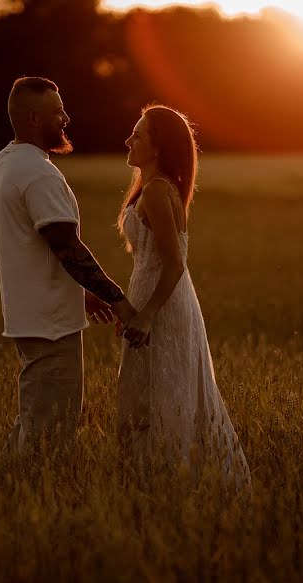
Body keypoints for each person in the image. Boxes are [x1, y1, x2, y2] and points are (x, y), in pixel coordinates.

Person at [0, 76, 136, 456]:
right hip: (50, 325)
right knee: (49, 435)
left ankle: (2, 492)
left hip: (31, 316)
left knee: (33, 421)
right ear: (34, 118)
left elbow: (38, 247)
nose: (66, 118)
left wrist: (80, 292)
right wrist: (116, 298)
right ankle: (29, 501)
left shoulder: (6, 162)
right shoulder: (39, 174)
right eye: (57, 112)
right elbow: (66, 246)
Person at [116, 105, 251, 489]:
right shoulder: (154, 187)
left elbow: (173, 264)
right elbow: (151, 263)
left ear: (158, 147)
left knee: (162, 397)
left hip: (164, 307)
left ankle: (168, 485)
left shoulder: (159, 191)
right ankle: (158, 485)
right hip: (155, 302)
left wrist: (145, 316)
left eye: (138, 135)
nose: (129, 140)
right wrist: (133, 311)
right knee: (151, 394)